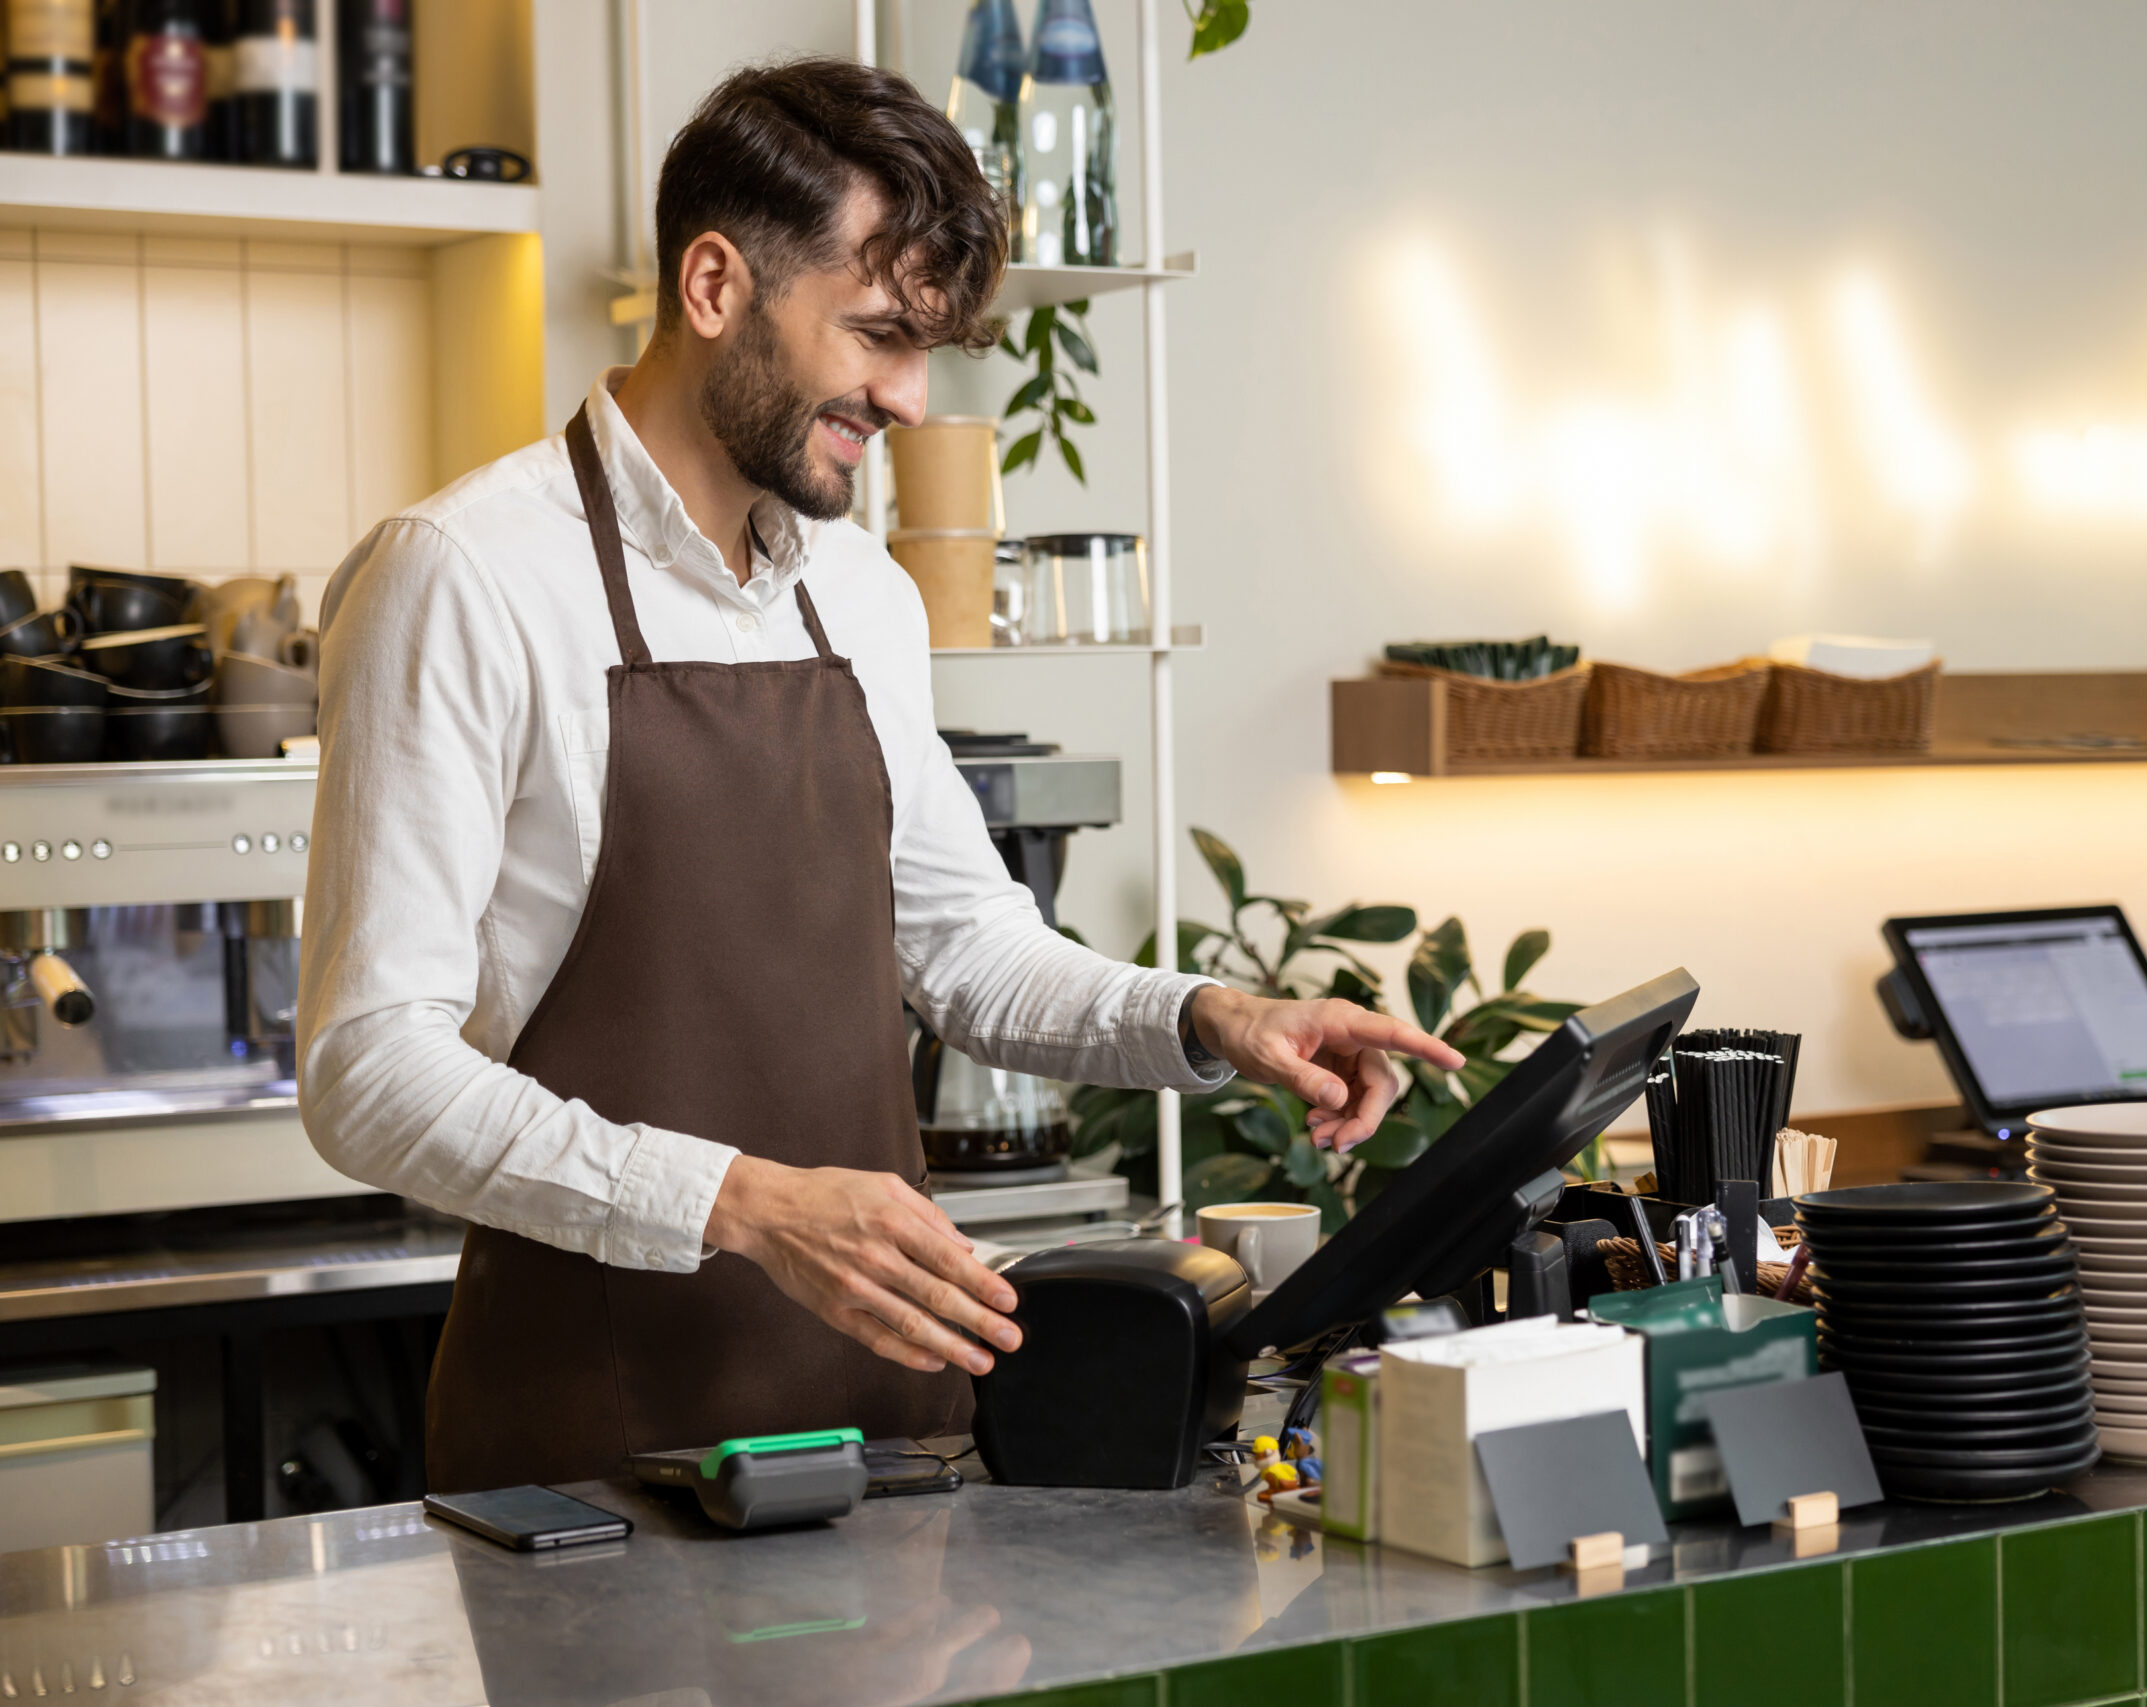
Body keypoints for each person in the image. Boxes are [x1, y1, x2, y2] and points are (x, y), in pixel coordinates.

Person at [297, 57, 1460, 1493]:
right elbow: (369, 1072)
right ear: (715, 283)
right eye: (876, 335)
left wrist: (1215, 1017)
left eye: (929, 350)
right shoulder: (464, 576)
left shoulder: (859, 595)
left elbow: (970, 954)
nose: (908, 398)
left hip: (891, 1438)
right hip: (592, 1455)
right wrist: (749, 1205)